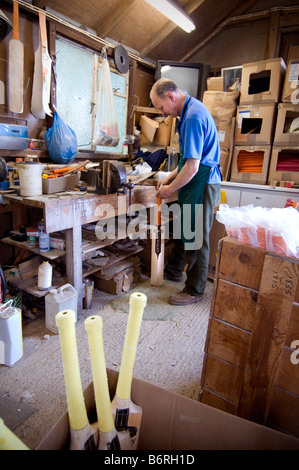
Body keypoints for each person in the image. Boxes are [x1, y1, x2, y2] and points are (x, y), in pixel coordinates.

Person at [150, 78, 221, 306]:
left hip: (202, 181)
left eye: (161, 107)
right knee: (185, 228)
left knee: (196, 237)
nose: (163, 113)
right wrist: (169, 177)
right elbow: (186, 160)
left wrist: (170, 189)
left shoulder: (192, 116)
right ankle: (174, 269)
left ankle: (195, 289)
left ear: (170, 96)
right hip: (196, 177)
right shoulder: (189, 110)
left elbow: (192, 167)